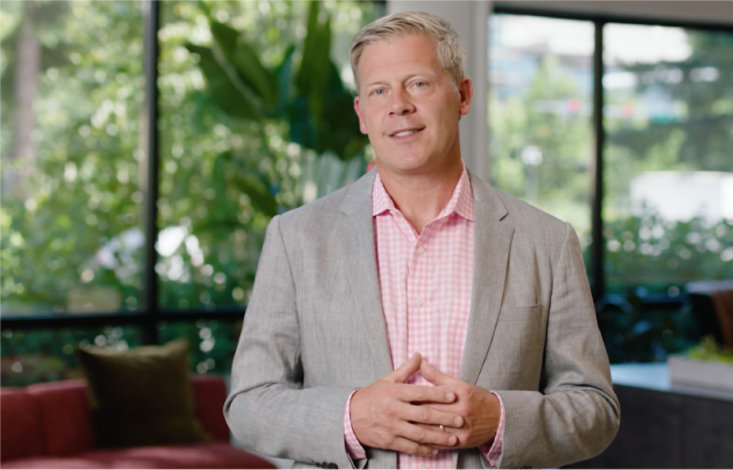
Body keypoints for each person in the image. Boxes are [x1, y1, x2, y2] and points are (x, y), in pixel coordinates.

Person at [224, 11, 620, 469]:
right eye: (378, 91)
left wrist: (500, 418)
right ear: (362, 115)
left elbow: (597, 409)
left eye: (418, 84)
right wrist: (350, 417)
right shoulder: (296, 239)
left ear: (463, 95)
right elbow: (249, 404)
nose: (398, 106)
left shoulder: (546, 242)